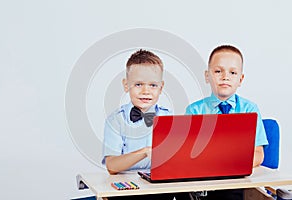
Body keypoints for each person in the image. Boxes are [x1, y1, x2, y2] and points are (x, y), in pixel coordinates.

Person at [185, 44, 269, 200]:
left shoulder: (250, 109)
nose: (225, 77)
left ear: (240, 79)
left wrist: (232, 166)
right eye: (218, 71)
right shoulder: (194, 111)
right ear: (207, 76)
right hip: (204, 184)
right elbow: (189, 155)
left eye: (232, 72)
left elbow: (259, 153)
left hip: (238, 183)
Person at [102, 49, 187, 200]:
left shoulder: (170, 118)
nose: (145, 91)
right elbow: (112, 166)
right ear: (126, 85)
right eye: (138, 84)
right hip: (126, 192)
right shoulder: (115, 121)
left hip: (161, 190)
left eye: (153, 85)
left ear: (161, 88)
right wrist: (145, 152)